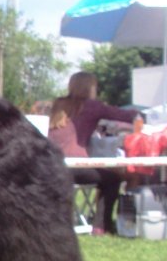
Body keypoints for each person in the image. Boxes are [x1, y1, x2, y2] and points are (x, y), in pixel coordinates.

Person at [48, 71, 140, 235]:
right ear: (91, 88)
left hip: (50, 164)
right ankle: (101, 226)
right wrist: (140, 115)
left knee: (105, 175)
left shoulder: (58, 104)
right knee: (112, 179)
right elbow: (123, 115)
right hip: (75, 164)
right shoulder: (92, 106)